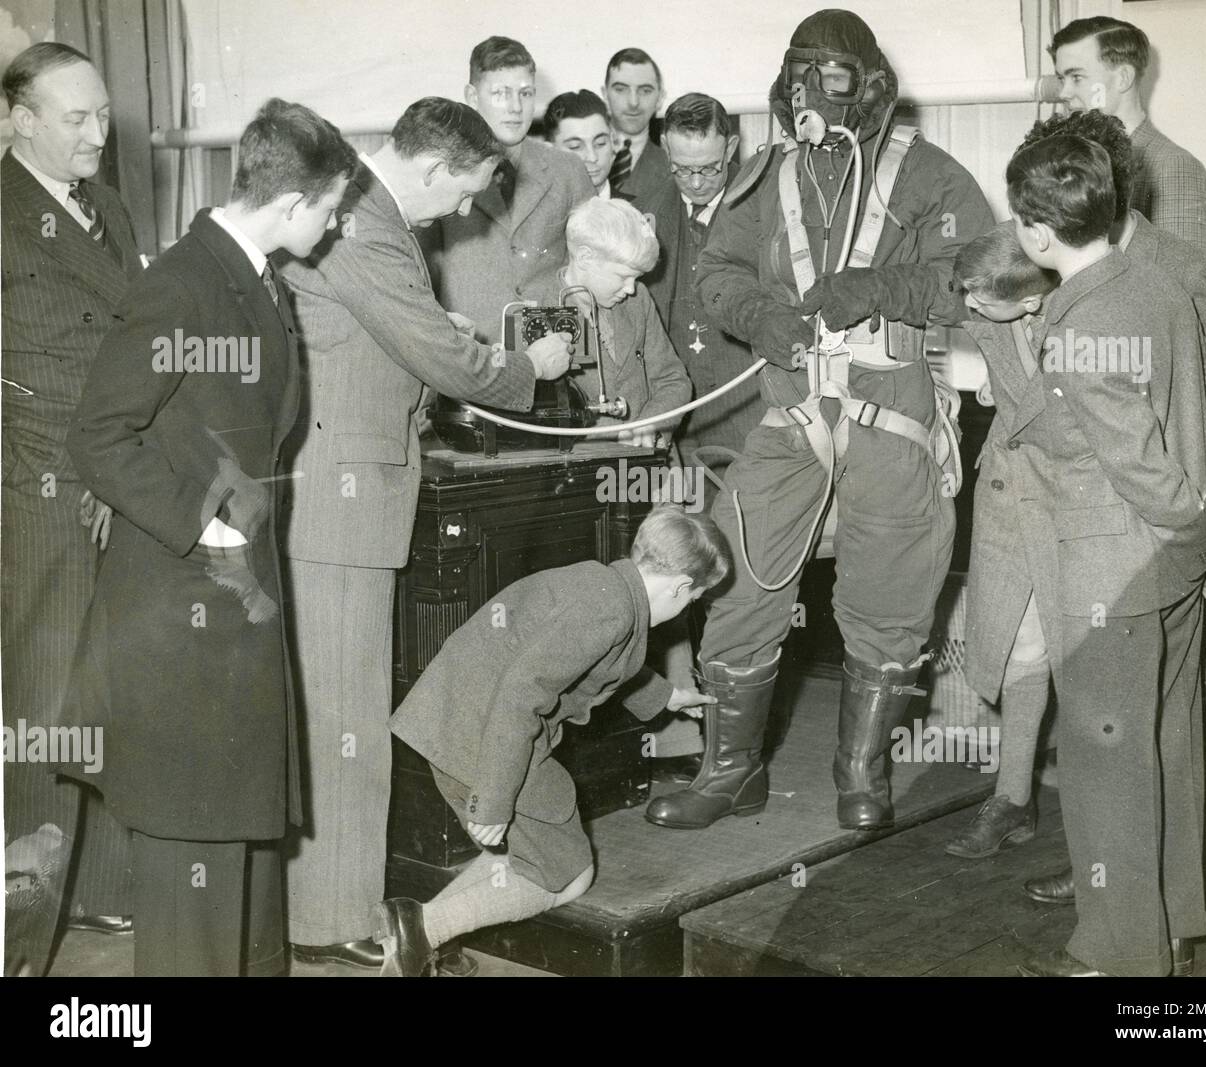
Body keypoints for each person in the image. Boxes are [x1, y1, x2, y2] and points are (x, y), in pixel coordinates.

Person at [646, 9, 994, 832]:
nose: (812, 98)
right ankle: (732, 770)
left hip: (894, 412)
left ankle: (860, 773)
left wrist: (885, 288)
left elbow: (976, 272)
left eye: (829, 80)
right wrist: (764, 318)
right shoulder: (764, 178)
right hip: (790, 407)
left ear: (868, 87)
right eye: (799, 81)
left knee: (890, 598)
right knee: (729, 573)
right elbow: (719, 273)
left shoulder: (931, 175)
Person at [277, 97, 573, 971]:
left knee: (341, 709)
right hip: (342, 498)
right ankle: (333, 920)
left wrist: (448, 332)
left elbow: (394, 328)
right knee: (345, 717)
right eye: (467, 193)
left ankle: (323, 903)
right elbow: (429, 353)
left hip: (348, 488)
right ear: (436, 169)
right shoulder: (367, 219)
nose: (464, 213)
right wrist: (527, 366)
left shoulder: (366, 214)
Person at [63, 98, 356, 976]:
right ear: (296, 201)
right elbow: (97, 436)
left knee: (247, 866)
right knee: (195, 882)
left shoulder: (256, 276)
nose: (338, 221)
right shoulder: (182, 283)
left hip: (237, 619)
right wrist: (206, 521)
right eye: (334, 205)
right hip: (180, 619)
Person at [1009, 110, 1206, 931]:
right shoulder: (1100, 269)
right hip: (1178, 520)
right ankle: (1143, 891)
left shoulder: (1179, 267)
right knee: (1164, 724)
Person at [376, 505, 728, 976]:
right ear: (682, 585)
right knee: (567, 874)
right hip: (486, 740)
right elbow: (521, 697)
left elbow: (602, 666)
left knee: (527, 853)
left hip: (454, 724)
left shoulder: (604, 584)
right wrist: (495, 800)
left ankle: (421, 933)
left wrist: (668, 697)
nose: (686, 608)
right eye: (694, 598)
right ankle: (423, 931)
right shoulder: (611, 612)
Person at [1, 41, 140, 974]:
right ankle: (24, 929)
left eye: (102, 116)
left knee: (110, 686)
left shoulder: (108, 208)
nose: (97, 134)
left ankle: (98, 888)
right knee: (47, 699)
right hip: (38, 488)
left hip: (112, 484)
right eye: (74, 119)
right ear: (18, 119)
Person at [933, 225, 1059, 860]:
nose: (970, 309)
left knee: (1090, 663)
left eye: (983, 302)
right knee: (1017, 646)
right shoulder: (1001, 308)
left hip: (1076, 509)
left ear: (1031, 299)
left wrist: (1007, 387)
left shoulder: (1089, 323)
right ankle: (1014, 797)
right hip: (1010, 495)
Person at [430, 36, 593, 345]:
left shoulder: (568, 169)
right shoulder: (444, 171)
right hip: (472, 360)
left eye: (525, 93)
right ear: (472, 96)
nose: (516, 107)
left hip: (557, 352)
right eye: (501, 93)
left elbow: (593, 267)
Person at [644, 92, 765, 485]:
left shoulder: (769, 208)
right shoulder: (643, 212)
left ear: (731, 147)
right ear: (665, 147)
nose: (696, 182)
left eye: (711, 169)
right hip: (672, 421)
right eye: (682, 169)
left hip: (750, 411)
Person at [1051, 15, 1206, 251]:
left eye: (1077, 77)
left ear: (1123, 78)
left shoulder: (1173, 166)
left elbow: (1183, 282)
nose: (1064, 92)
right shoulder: (1078, 160)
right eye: (1061, 78)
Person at [551, 197, 691, 449]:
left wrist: (650, 424)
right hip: (578, 470)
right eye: (624, 276)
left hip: (649, 465)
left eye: (636, 278)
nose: (631, 289)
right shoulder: (537, 310)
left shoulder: (638, 300)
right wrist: (614, 433)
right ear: (585, 257)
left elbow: (673, 379)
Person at [603, 47, 670, 204]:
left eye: (645, 91)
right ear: (605, 94)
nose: (633, 102)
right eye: (621, 89)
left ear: (660, 98)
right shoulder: (579, 157)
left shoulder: (672, 168)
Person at [543, 90, 615, 198]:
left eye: (600, 143)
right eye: (575, 147)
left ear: (613, 142)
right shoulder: (535, 213)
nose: (592, 157)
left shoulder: (639, 211)